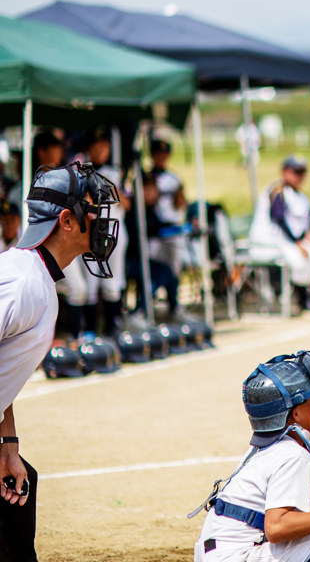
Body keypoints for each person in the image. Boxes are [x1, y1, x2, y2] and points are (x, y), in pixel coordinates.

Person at [0, 162, 119, 561]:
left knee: (19, 488)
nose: (101, 219)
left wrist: (7, 443)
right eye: (92, 208)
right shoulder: (21, 285)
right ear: (67, 220)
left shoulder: (37, 281)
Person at [190, 350, 310, 562]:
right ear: (295, 413)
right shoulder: (294, 455)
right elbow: (277, 527)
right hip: (236, 556)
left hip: (220, 552)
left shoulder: (272, 445)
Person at [63, 127, 131, 338]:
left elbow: (127, 203)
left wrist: (114, 192)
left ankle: (112, 329)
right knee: (90, 284)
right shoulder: (79, 170)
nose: (102, 149)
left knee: (113, 282)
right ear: (89, 147)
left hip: (114, 229)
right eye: (98, 145)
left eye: (106, 145)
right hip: (91, 231)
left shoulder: (116, 171)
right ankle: (90, 330)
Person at [249, 155, 310, 313]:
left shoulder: (303, 198)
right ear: (284, 172)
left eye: (302, 172)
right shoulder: (276, 192)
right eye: (295, 171)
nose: (299, 176)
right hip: (270, 244)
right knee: (300, 260)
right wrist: (298, 242)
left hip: (293, 243)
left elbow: (303, 226)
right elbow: (279, 220)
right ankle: (304, 301)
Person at [125, 172, 181, 324]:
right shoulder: (132, 209)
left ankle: (174, 309)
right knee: (157, 276)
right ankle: (138, 312)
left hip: (140, 258)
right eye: (146, 189)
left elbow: (157, 226)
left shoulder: (149, 209)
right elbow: (141, 230)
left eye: (153, 190)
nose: (151, 193)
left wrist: (180, 227)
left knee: (168, 272)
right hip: (128, 260)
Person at [149, 137, 187, 277]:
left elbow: (181, 204)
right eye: (158, 154)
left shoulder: (174, 179)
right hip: (154, 229)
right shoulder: (145, 178)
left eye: (164, 155)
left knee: (174, 262)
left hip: (172, 228)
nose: (161, 157)